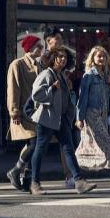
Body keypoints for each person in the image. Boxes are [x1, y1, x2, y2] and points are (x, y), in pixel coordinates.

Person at [30, 47, 97, 195]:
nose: (63, 59)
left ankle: (79, 181)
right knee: (40, 149)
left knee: (68, 148)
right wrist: (52, 89)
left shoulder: (61, 76)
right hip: (47, 119)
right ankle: (34, 183)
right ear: (53, 58)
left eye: (65, 57)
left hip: (61, 120)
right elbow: (36, 95)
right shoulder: (46, 74)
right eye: (59, 56)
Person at [75, 46, 110, 186]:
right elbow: (82, 97)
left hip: (103, 113)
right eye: (99, 56)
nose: (102, 59)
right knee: (107, 142)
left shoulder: (106, 74)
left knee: (103, 144)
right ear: (92, 58)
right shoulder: (89, 76)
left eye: (104, 56)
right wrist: (79, 117)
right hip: (91, 113)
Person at [38, 27, 76, 188]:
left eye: (61, 40)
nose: (61, 43)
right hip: (45, 108)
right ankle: (28, 175)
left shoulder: (64, 58)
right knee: (37, 145)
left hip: (62, 108)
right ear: (49, 41)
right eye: (58, 40)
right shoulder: (43, 60)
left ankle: (72, 177)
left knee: (66, 144)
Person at [5, 35, 43, 192]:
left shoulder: (40, 66)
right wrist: (14, 111)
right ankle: (16, 169)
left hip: (37, 113)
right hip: (23, 112)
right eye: (39, 46)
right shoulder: (17, 64)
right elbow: (13, 88)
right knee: (35, 143)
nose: (41, 49)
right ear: (30, 48)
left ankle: (27, 178)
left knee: (35, 144)